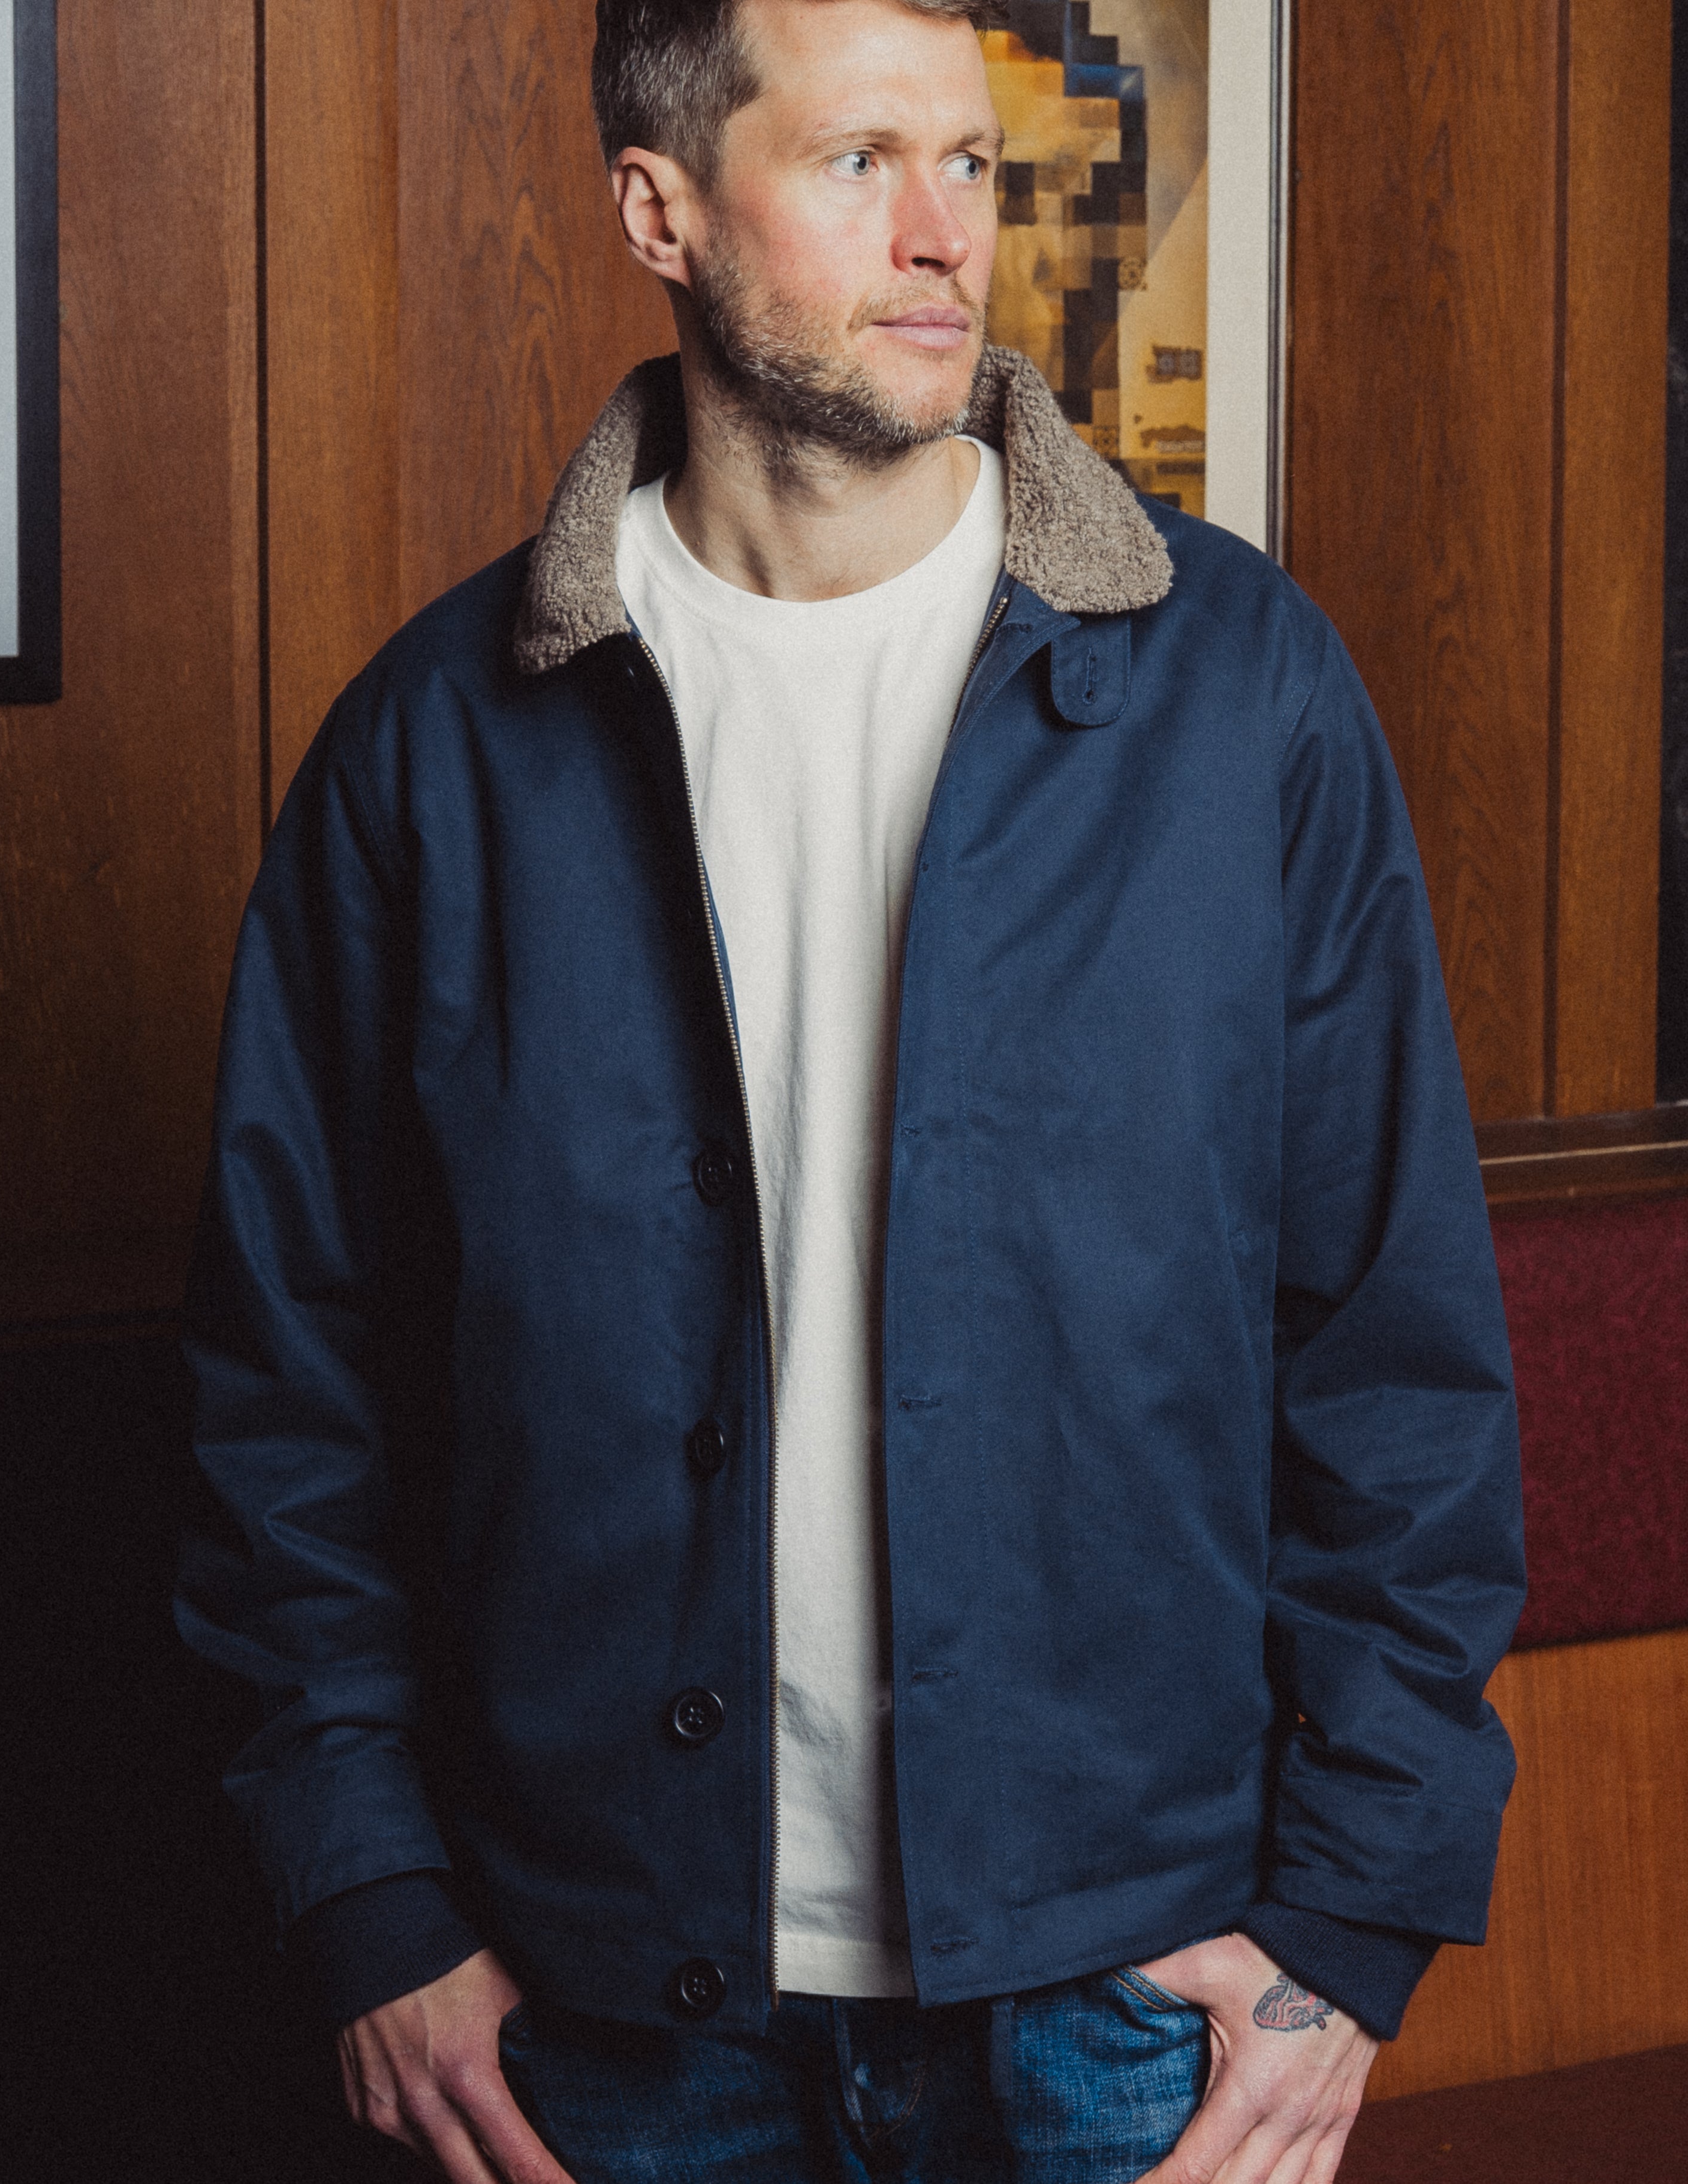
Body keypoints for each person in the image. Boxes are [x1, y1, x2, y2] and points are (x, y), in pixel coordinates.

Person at [176, 0, 1526, 2177]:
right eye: (854, 162)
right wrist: (368, 1901)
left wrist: (1350, 1919)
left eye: (970, 170)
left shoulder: (1235, 692)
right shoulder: (433, 747)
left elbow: (1392, 1345)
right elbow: (288, 1386)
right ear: (660, 208)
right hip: (599, 2009)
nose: (942, 236)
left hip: (1124, 1996)